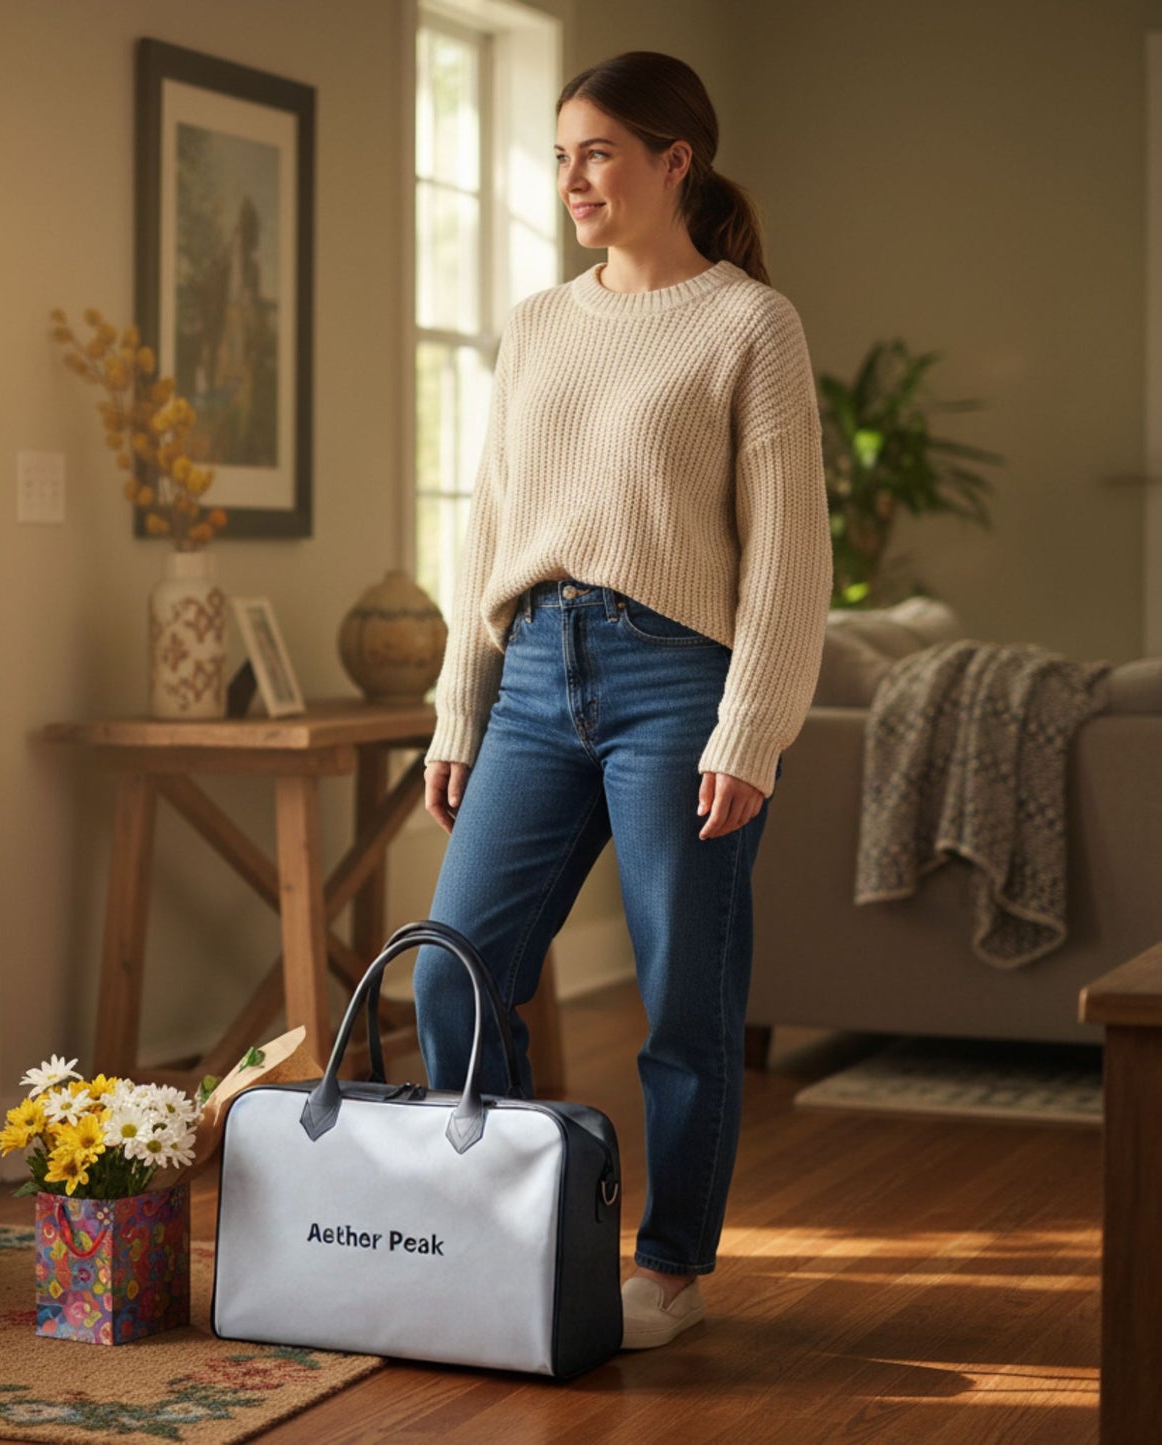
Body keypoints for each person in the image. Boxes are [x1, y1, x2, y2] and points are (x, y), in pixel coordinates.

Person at [412, 49, 832, 1351]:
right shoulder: (538, 324)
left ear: (672, 162)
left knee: (682, 999)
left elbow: (787, 552)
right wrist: (457, 707)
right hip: (533, 674)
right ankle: (497, 1239)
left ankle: (668, 1265)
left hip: (676, 684)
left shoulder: (748, 324)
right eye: (557, 154)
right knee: (452, 974)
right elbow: (486, 527)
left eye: (597, 150)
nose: (572, 178)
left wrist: (748, 728)